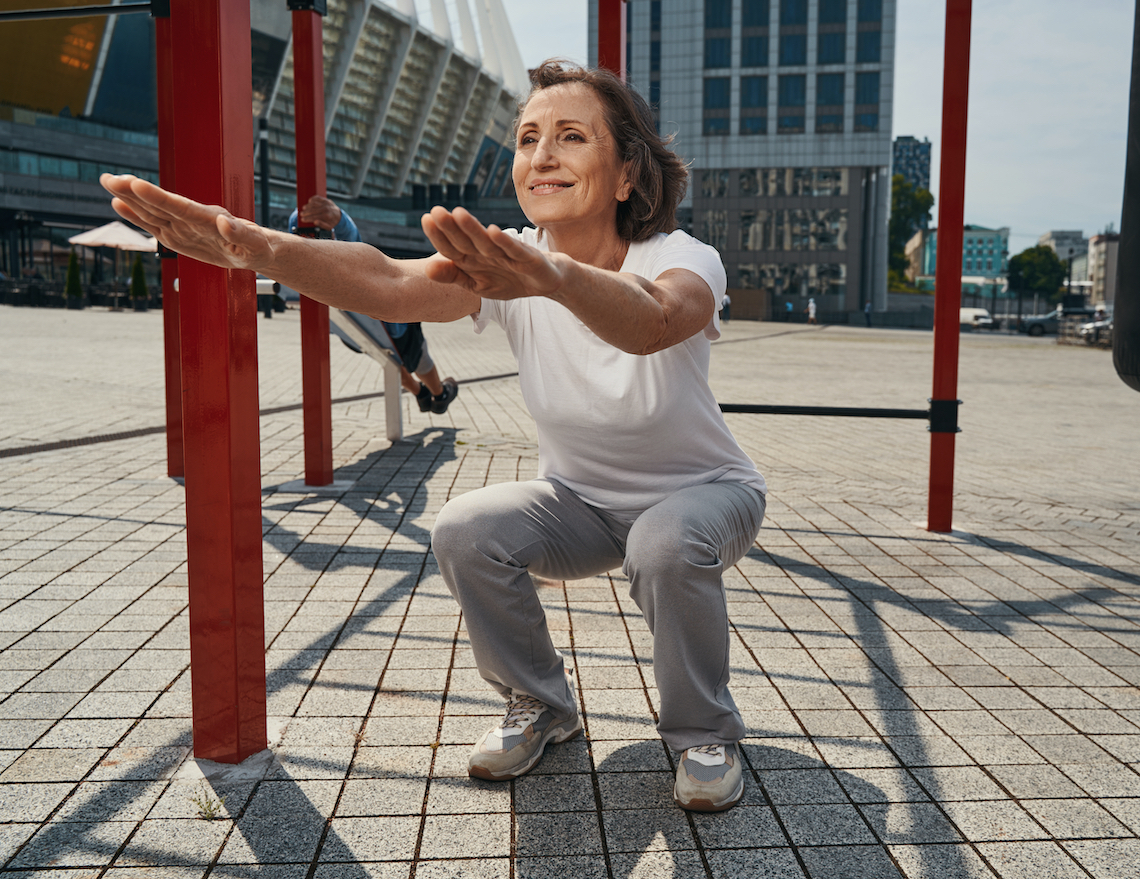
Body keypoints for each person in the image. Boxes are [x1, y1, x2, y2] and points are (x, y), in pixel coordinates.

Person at [101, 60, 766, 814]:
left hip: (705, 497)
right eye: (527, 138)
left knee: (664, 542)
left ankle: (701, 733)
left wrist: (552, 278)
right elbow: (387, 280)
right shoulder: (508, 263)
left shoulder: (676, 257)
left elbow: (653, 322)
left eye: (571, 137)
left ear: (625, 177)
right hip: (583, 503)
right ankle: (540, 703)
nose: (542, 155)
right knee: (465, 529)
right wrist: (260, 251)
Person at [290, 196, 458, 414]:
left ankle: (420, 393)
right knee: (418, 357)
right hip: (391, 324)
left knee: (387, 357)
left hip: (357, 330)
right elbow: (353, 244)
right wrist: (340, 220)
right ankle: (439, 395)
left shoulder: (306, 272)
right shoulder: (342, 266)